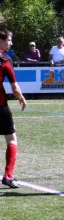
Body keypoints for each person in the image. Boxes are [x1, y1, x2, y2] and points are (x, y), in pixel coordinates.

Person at [0, 28, 27, 188]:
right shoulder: (5, 60)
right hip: (0, 106)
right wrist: (22, 98)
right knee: (11, 139)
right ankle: (8, 176)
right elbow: (15, 88)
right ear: (1, 41)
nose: (11, 43)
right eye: (9, 40)